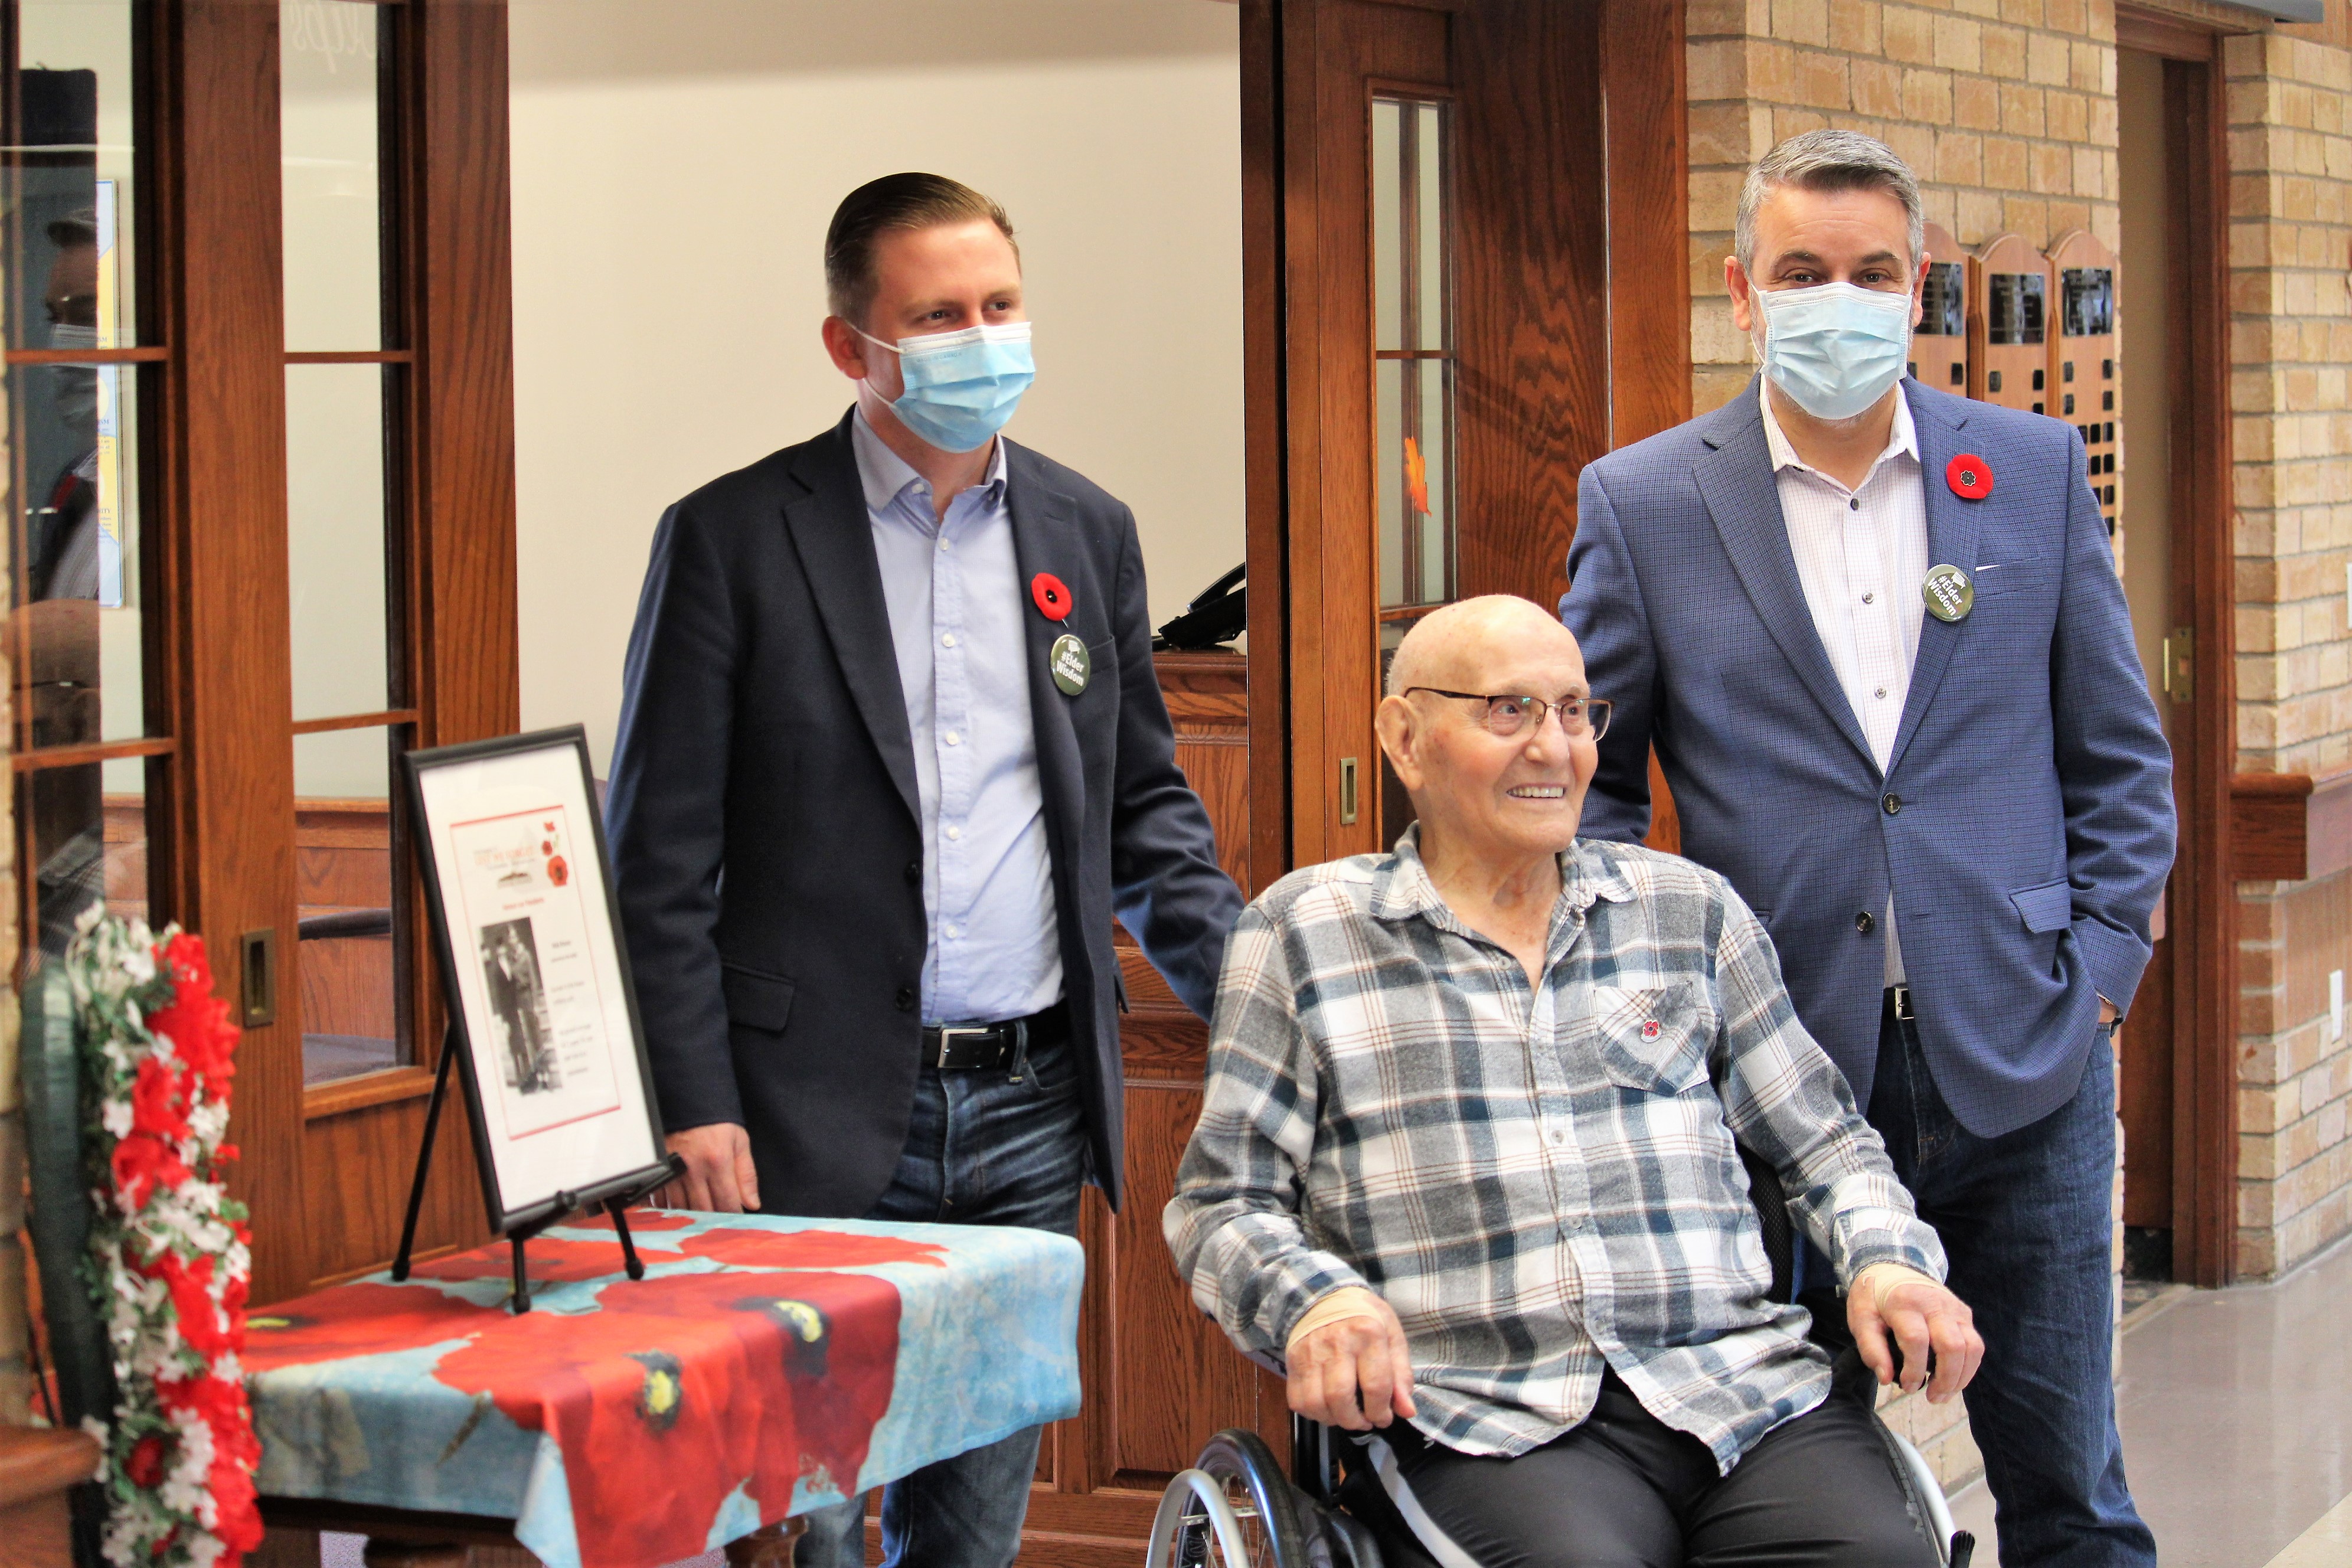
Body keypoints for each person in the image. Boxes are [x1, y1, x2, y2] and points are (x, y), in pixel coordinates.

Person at [606, 172, 1244, 1568]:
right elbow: (655, 857)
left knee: (972, 1521)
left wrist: (1262, 997)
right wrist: (693, 1098)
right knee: (818, 1518)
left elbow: (1144, 807)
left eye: (1001, 305)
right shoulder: (733, 536)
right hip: (811, 1113)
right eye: (939, 316)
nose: (982, 339)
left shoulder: (1087, 528)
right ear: (852, 345)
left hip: (1029, 1106)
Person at [1561, 130, 2173, 1567]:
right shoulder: (1644, 499)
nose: (1839, 298)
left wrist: (2103, 969)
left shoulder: (2024, 468)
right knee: (1811, 1505)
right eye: (1802, 271)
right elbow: (1580, 792)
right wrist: (1637, 1010)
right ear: (1743, 290)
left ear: (1918, 290)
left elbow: (2119, 751)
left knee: (2071, 1482)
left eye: (1873, 272)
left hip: (2027, 1054)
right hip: (1773, 1079)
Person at [1167, 596, 1983, 1568]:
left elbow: (1826, 1144)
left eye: (1572, 712)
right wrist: (1319, 1303)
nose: (1553, 748)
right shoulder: (1305, 935)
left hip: (1741, 1394)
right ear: (1405, 737)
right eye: (1508, 711)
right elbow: (1224, 1204)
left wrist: (1888, 1259)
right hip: (1481, 1416)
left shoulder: (1687, 913)